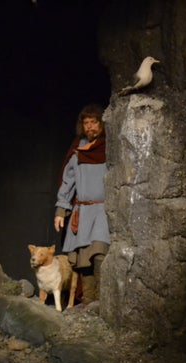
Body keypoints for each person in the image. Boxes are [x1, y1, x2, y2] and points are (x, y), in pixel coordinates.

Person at [53, 103, 110, 306]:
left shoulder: (110, 149)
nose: (90, 127)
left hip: (103, 210)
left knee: (100, 254)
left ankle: (104, 303)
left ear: (102, 123)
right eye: (86, 123)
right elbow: (68, 182)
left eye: (94, 122)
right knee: (84, 259)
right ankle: (89, 303)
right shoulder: (78, 152)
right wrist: (61, 211)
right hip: (83, 211)